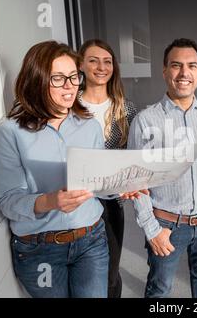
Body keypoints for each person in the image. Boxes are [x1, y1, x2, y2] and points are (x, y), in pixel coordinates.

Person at [0, 41, 110, 298]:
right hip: (39, 249)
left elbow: (97, 183)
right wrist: (50, 201)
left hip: (91, 240)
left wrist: (121, 186)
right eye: (58, 78)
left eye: (73, 76)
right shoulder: (10, 132)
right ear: (37, 80)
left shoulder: (89, 125)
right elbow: (7, 201)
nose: (70, 86)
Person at [127, 38, 197, 298]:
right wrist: (151, 229)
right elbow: (135, 181)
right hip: (167, 225)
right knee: (160, 288)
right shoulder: (145, 120)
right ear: (165, 72)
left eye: (192, 66)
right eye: (176, 65)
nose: (184, 73)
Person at [78, 39, 138, 298]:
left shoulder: (126, 109)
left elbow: (134, 157)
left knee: (110, 274)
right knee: (84, 273)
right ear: (80, 65)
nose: (101, 67)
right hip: (77, 200)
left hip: (111, 202)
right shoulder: (69, 106)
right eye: (93, 60)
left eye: (107, 61)